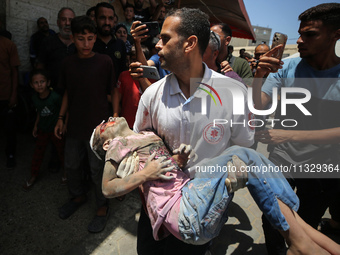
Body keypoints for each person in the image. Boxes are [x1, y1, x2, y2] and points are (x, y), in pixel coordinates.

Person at [91, 116, 340, 255]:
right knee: (241, 155)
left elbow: (166, 172)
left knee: (242, 157)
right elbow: (107, 188)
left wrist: (178, 160)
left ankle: (294, 226)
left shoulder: (146, 136)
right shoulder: (118, 145)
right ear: (105, 143)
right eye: (103, 125)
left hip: (195, 205)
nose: (108, 118)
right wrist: (145, 174)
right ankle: (294, 228)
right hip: (185, 214)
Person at [130, 7, 254, 254]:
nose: (157, 46)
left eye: (165, 38)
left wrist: (237, 168)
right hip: (157, 206)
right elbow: (137, 147)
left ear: (190, 43)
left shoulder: (233, 93)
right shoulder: (153, 94)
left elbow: (244, 147)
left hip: (203, 208)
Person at [252, 3, 340, 254]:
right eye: (300, 33)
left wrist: (289, 134)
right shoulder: (287, 68)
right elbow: (259, 106)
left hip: (324, 166)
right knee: (273, 217)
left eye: (310, 34)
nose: (300, 40)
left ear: (336, 34)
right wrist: (259, 76)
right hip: (283, 157)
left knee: (307, 222)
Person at [54, 15, 115, 233]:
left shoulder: (104, 62)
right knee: (71, 164)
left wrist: (115, 118)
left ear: (95, 38)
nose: (86, 44)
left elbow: (113, 90)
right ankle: (78, 196)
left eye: (90, 38)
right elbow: (68, 93)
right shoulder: (68, 63)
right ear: (73, 38)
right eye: (81, 39)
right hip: (75, 125)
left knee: (97, 168)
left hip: (97, 129)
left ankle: (102, 206)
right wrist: (61, 118)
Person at [22, 69, 66, 191]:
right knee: (38, 154)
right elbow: (39, 113)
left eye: (42, 81)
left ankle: (66, 174)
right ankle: (33, 175)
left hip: (56, 130)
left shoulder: (55, 97)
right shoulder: (35, 98)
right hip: (43, 130)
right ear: (31, 85)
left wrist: (63, 124)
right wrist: (36, 125)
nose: (40, 85)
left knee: (62, 153)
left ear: (48, 82)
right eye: (36, 82)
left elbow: (63, 111)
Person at [37, 7, 76, 93]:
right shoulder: (48, 42)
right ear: (58, 22)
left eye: (71, 20)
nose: (67, 23)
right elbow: (40, 67)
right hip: (53, 93)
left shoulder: (80, 43)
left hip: (75, 93)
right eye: (63, 19)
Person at [113, 45, 151, 128]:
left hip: (146, 124)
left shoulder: (152, 77)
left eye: (140, 61)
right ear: (129, 60)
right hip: (127, 122)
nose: (137, 64)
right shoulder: (124, 75)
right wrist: (115, 114)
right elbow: (117, 94)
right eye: (134, 60)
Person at [93, 2, 127, 81]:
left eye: (110, 18)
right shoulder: (89, 43)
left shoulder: (120, 44)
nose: (107, 22)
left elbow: (122, 72)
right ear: (95, 19)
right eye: (102, 18)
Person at [0, 35, 20, 169]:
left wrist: (13, 94)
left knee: (10, 128)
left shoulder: (8, 45)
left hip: (5, 94)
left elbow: (14, 71)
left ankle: (10, 154)